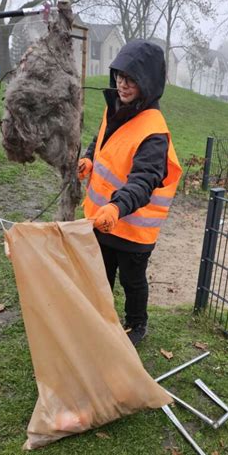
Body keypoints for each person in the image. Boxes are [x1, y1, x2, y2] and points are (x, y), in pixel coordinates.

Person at [78, 40, 182, 347]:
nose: (122, 84)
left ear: (148, 81)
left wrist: (117, 206)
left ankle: (137, 324)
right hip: (104, 219)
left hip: (134, 227)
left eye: (131, 78)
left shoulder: (154, 132)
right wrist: (88, 158)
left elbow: (144, 180)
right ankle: (101, 318)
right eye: (120, 75)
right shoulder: (116, 108)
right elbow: (103, 141)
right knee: (102, 273)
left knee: (132, 281)